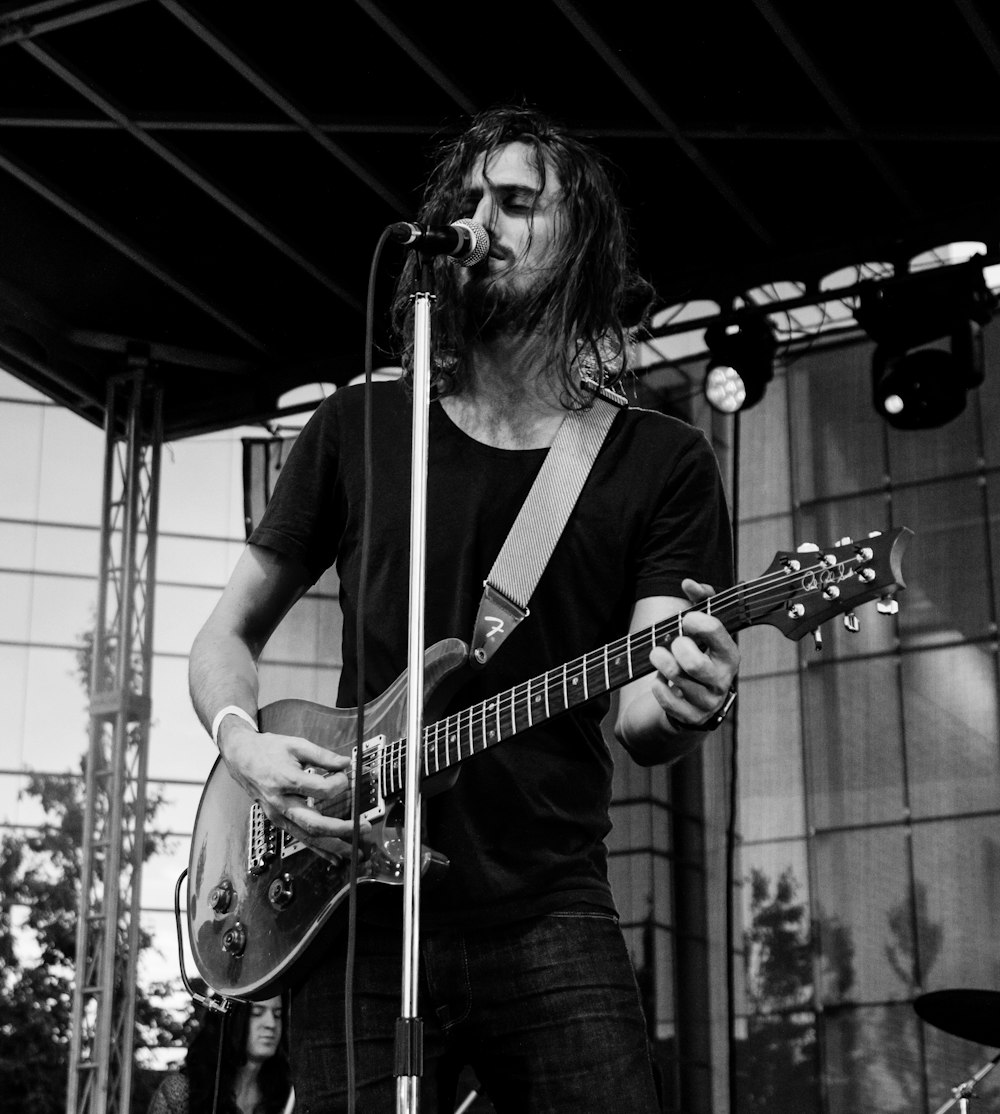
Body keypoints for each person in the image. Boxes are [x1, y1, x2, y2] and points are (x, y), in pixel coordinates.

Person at [188, 104, 740, 1113]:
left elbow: (641, 720)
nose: (478, 219)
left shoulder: (656, 460)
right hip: (350, 913)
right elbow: (226, 633)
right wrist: (246, 746)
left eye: (515, 201)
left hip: (545, 903)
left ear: (578, 240)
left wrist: (687, 696)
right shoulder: (359, 422)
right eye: (467, 199)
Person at [147, 995, 294, 1113]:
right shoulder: (181, 1093)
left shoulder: (289, 1096)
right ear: (229, 1018)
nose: (271, 1024)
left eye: (277, 1015)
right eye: (256, 1013)